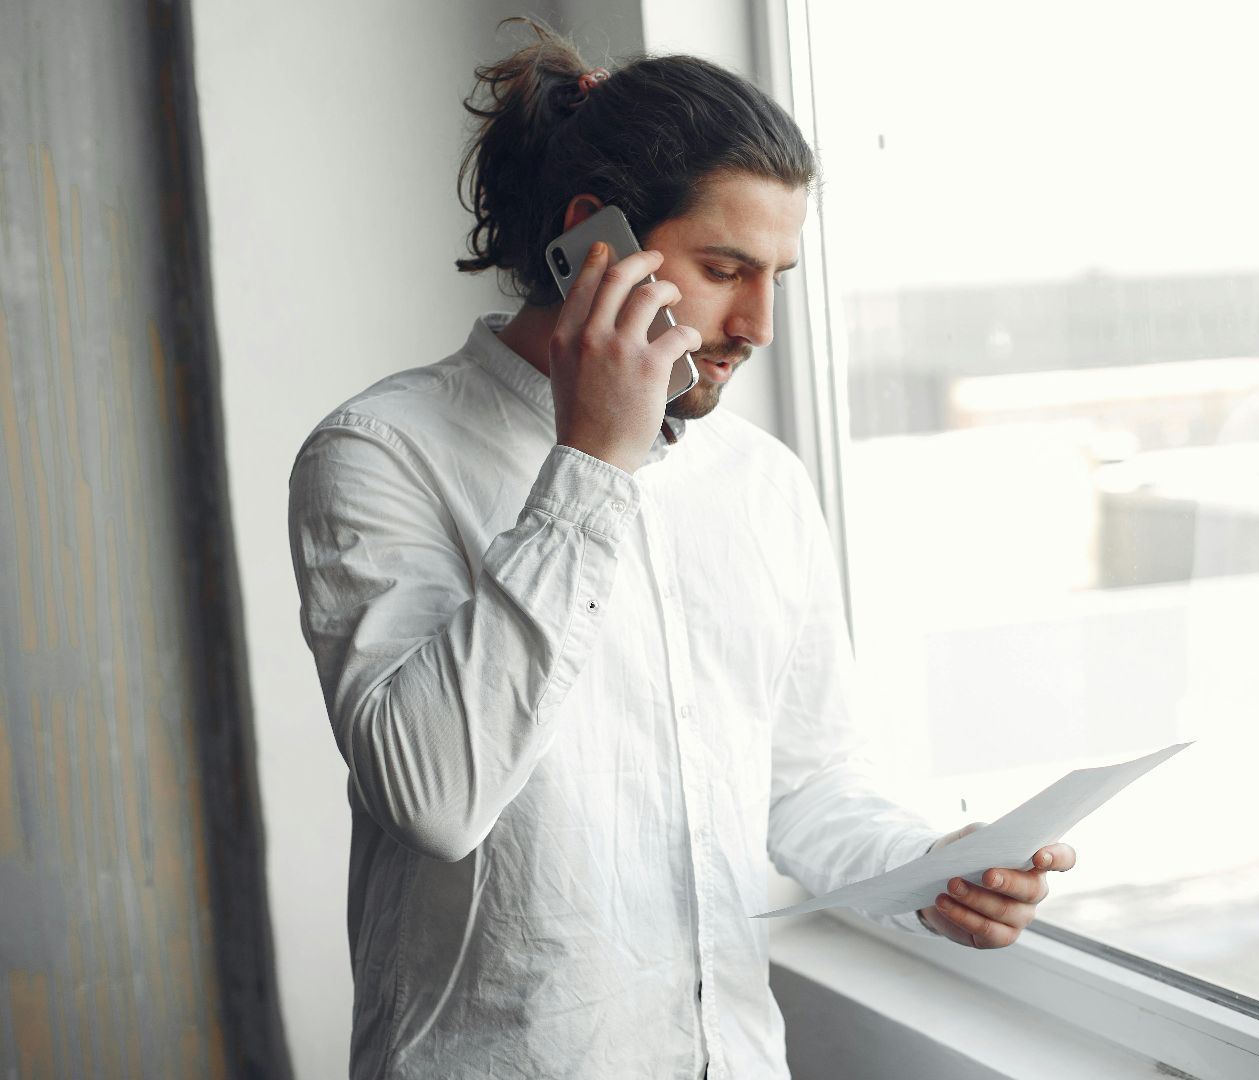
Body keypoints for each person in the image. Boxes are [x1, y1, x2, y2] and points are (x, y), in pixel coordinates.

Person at [285, 18, 1075, 1080]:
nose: (758, 323)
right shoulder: (380, 453)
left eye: (778, 275)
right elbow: (432, 795)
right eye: (723, 267)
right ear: (594, 244)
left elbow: (806, 781)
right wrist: (592, 466)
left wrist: (927, 872)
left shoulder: (761, 485)